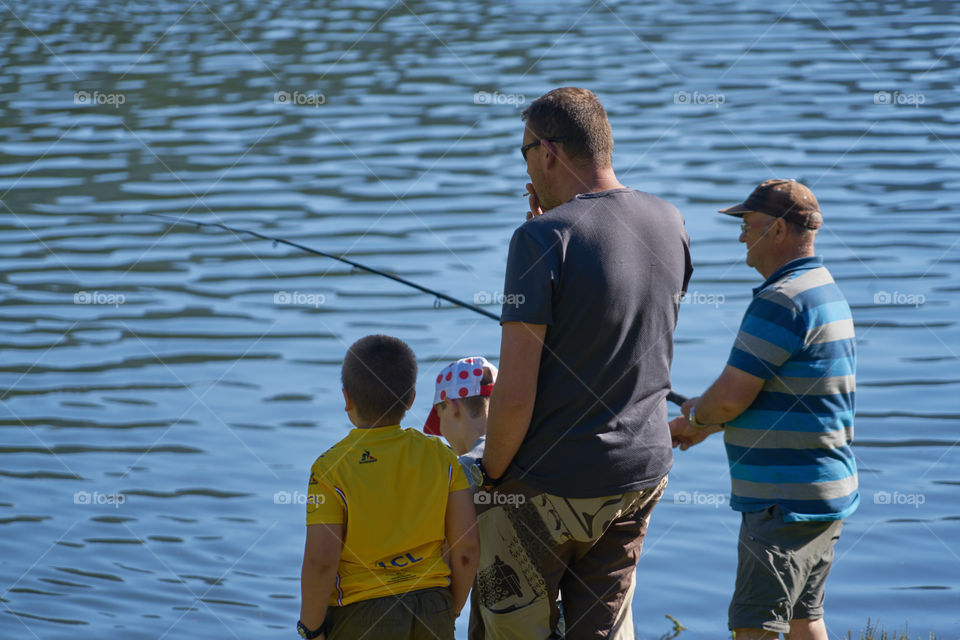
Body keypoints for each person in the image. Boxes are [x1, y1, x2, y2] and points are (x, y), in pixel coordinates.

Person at [475, 87, 694, 639]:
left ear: (547, 151)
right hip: (641, 472)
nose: (525, 165)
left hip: (551, 481)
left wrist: (492, 479)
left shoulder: (538, 240)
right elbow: (621, 328)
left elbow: (517, 394)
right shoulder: (670, 221)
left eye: (524, 152)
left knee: (508, 628)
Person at [669, 179, 858, 639]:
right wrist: (706, 424)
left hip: (783, 502)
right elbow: (777, 397)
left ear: (777, 230)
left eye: (748, 225)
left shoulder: (779, 300)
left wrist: (698, 418)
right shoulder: (822, 288)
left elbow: (732, 396)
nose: (740, 237)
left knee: (755, 626)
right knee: (803, 619)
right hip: (825, 490)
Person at [298, 335, 480, 640]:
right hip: (433, 606)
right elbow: (467, 549)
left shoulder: (329, 469)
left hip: (360, 613)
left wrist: (311, 629)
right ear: (410, 399)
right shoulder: (442, 456)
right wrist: (451, 609)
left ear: (347, 399)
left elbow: (321, 561)